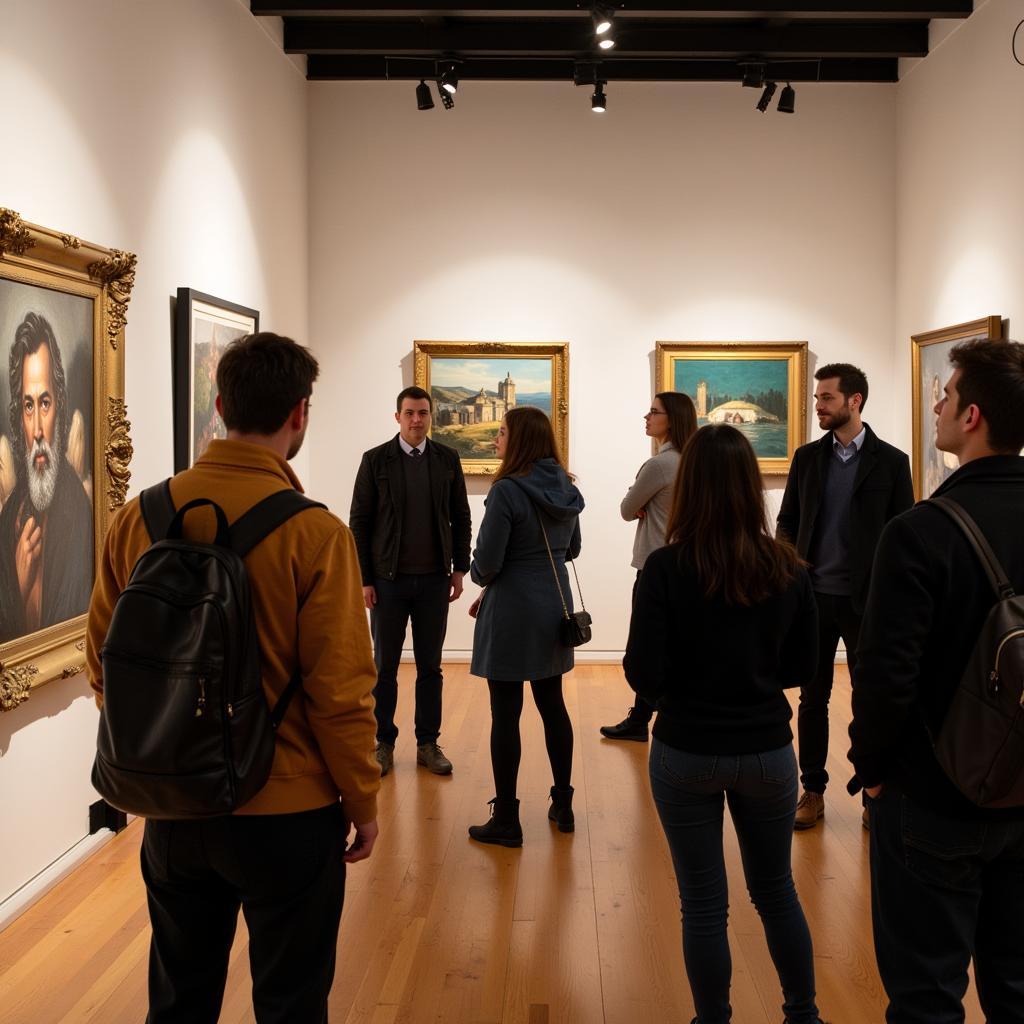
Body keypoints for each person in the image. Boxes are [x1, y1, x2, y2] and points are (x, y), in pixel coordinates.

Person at [85, 332, 380, 1023]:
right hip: (287, 810)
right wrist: (361, 801)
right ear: (300, 414)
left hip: (174, 806)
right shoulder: (316, 535)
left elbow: (104, 659)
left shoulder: (141, 517)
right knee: (291, 1001)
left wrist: (158, 746)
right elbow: (340, 693)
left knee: (179, 1000)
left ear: (219, 406)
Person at [848, 339, 1024, 1024]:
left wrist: (874, 768)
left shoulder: (920, 531)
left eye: (945, 396)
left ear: (972, 415)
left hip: (935, 795)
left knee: (926, 995)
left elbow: (886, 675)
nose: (938, 406)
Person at [625, 424, 826, 1024]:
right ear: (750, 487)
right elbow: (803, 668)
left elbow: (642, 674)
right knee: (776, 892)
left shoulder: (664, 570)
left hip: (686, 749)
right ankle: (804, 1015)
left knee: (705, 905)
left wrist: (684, 689)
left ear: (690, 488)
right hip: (767, 750)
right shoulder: (789, 569)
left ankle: (713, 1019)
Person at [776, 362, 913, 829]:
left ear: (854, 401)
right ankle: (811, 790)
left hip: (865, 603)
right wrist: (789, 558)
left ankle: (874, 794)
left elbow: (903, 533)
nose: (818, 405)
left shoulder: (892, 462)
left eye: (827, 398)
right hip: (813, 599)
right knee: (812, 699)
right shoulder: (807, 458)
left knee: (869, 699)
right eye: (817, 398)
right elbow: (787, 520)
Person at [466, 406, 584, 847]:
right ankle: (564, 803)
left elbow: (487, 565)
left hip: (513, 609)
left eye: (501, 432)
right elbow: (572, 547)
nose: (496, 439)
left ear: (519, 441)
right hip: (554, 605)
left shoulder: (506, 491)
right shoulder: (566, 489)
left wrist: (481, 577)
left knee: (506, 713)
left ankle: (508, 819)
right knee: (553, 706)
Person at [349, 386, 471, 777]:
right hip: (387, 582)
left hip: (435, 580)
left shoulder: (447, 459)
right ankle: (383, 742)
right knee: (383, 665)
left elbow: (461, 517)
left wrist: (459, 568)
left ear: (430, 416)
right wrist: (365, 578)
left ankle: (427, 743)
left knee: (430, 666)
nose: (416, 420)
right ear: (397, 417)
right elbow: (360, 523)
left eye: (422, 413)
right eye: (409, 413)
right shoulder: (374, 461)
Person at [601, 390, 697, 741]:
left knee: (647, 645)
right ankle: (642, 718)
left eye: (654, 412)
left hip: (656, 565)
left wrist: (640, 500)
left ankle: (647, 718)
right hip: (690, 565)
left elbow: (627, 509)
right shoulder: (695, 460)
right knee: (677, 644)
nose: (647, 416)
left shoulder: (659, 464)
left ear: (671, 419)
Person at [0, 312, 92, 643]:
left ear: (60, 407)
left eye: (45, 403)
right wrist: (18, 583)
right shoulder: (10, 515)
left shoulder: (79, 512)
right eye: (28, 406)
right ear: (18, 417)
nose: (38, 428)